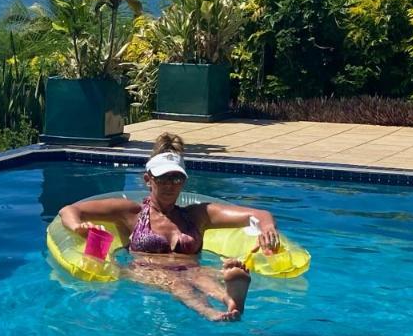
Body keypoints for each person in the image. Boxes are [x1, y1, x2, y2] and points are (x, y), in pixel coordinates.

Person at [56, 133, 282, 321]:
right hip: (145, 271)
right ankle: (210, 311)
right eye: (162, 179)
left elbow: (259, 214)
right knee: (175, 281)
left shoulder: (197, 214)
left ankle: (230, 300)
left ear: (184, 181)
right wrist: (78, 227)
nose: (170, 186)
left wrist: (267, 229)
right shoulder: (130, 213)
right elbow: (69, 210)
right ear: (148, 179)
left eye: (176, 179)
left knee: (200, 275)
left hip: (191, 268)